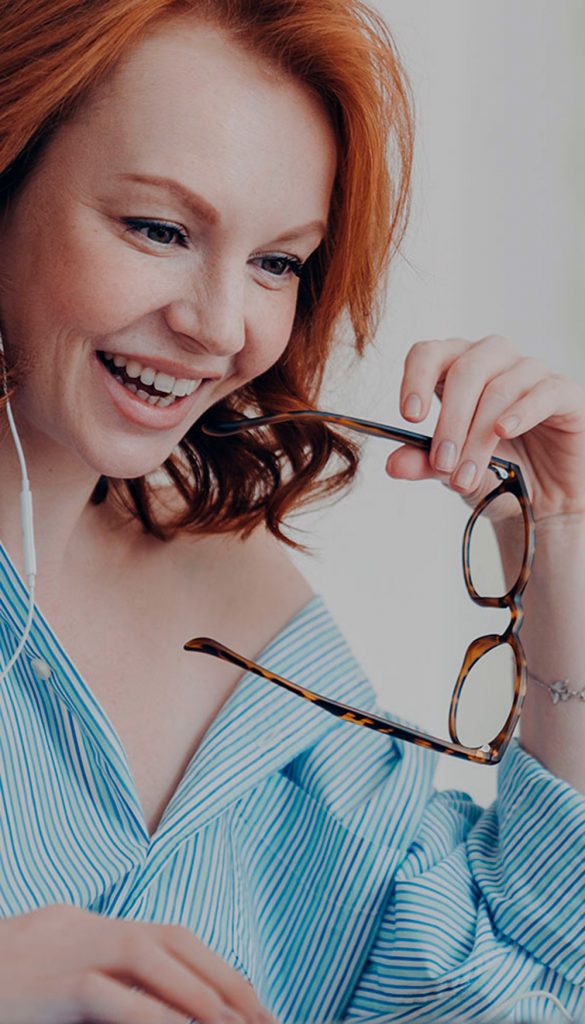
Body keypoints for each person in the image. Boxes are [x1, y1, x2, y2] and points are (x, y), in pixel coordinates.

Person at [0, 1, 583, 1022]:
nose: (220, 327)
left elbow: (516, 987)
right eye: (159, 228)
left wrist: (564, 537)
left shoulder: (259, 635)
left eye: (278, 262)